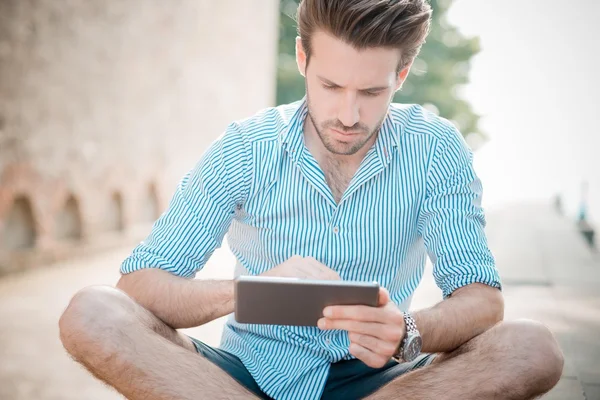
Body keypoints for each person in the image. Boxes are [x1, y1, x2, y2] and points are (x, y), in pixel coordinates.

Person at [58, 1, 564, 399]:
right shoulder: (244, 147)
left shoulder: (435, 149)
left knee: (531, 348)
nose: (348, 114)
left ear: (402, 75)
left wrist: (409, 329)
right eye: (330, 85)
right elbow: (139, 284)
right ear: (302, 57)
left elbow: (482, 299)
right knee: (93, 314)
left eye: (371, 91)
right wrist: (249, 292)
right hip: (239, 377)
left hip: (383, 383)